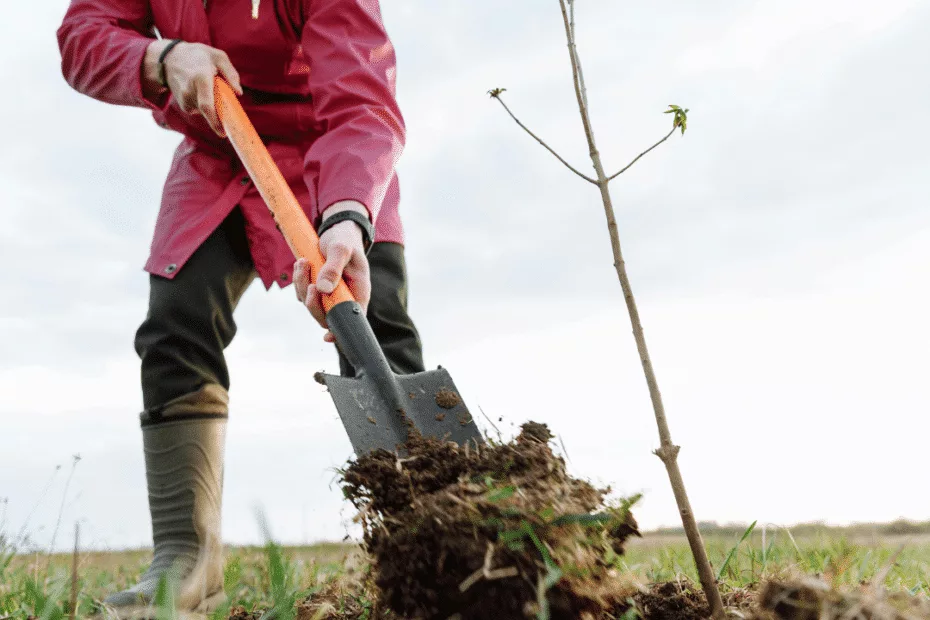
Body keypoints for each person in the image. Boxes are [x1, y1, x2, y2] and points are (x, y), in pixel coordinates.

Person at [56, 0, 424, 615]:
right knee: (176, 325)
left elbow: (361, 104)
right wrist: (159, 56)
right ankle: (184, 563)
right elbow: (82, 36)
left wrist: (347, 217)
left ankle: (424, 540)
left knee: (377, 328)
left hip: (330, 155)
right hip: (218, 151)